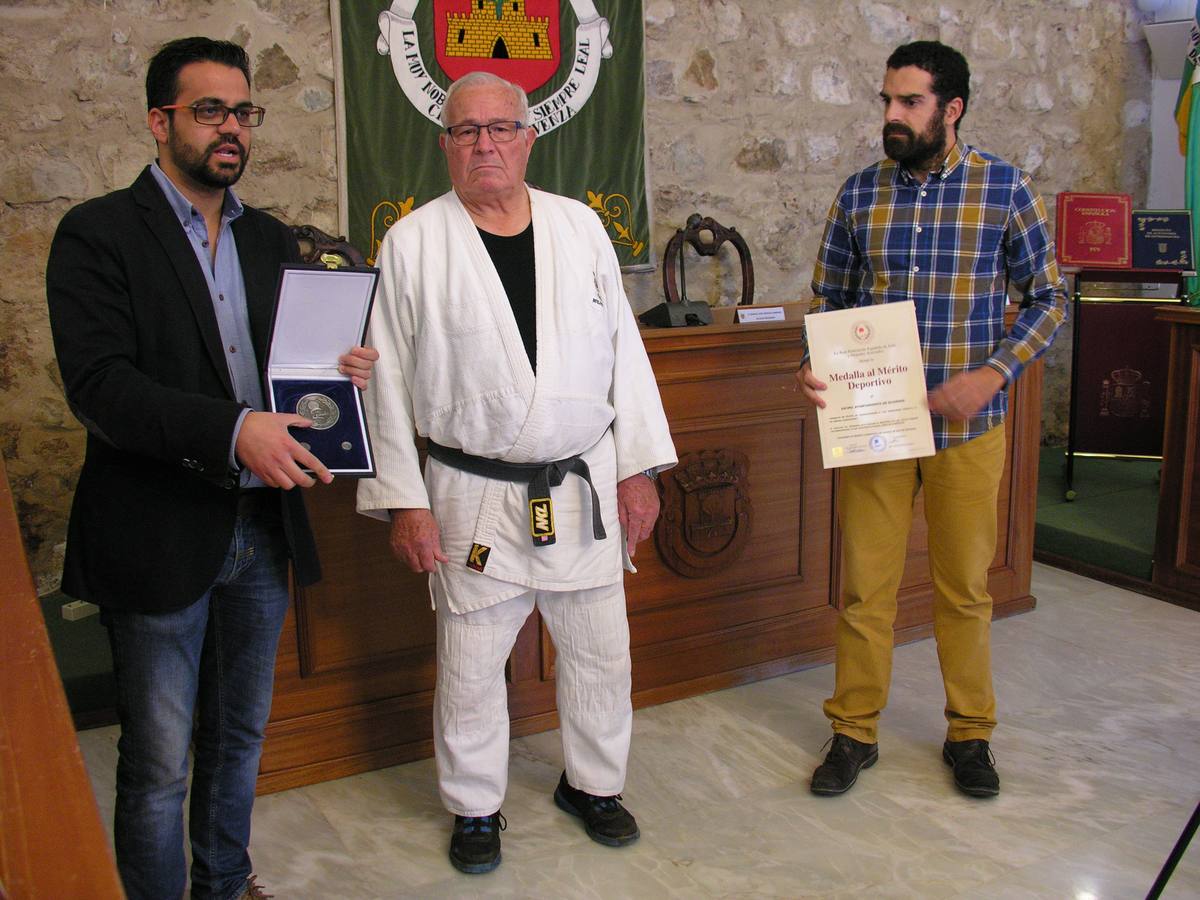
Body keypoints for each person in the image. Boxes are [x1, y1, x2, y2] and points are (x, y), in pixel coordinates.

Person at [46, 37, 377, 900]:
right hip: (156, 529)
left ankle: (224, 884)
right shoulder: (98, 233)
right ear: (160, 122)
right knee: (158, 760)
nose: (231, 128)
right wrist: (234, 432)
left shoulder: (269, 238)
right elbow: (101, 388)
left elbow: (288, 371)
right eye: (209, 110)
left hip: (261, 527)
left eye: (242, 111)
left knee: (238, 736)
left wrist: (336, 379)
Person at [357, 71, 676, 874]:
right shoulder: (414, 242)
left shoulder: (580, 229)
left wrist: (639, 469)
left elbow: (624, 358)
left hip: (583, 482)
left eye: (501, 127)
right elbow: (387, 380)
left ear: (530, 137)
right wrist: (404, 501)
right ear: (445, 145)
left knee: (601, 651)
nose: (485, 144)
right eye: (467, 131)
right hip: (470, 491)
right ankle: (474, 807)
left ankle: (594, 785)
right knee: (469, 663)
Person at [796, 41, 1067, 800]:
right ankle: (853, 732)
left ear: (951, 109)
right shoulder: (859, 194)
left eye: (909, 102)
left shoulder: (1004, 189)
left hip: (968, 433)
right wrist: (811, 361)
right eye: (886, 99)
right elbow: (830, 302)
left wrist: (991, 374)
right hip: (874, 425)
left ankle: (970, 735)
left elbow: (1050, 300)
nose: (891, 115)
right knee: (864, 591)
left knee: (965, 591)